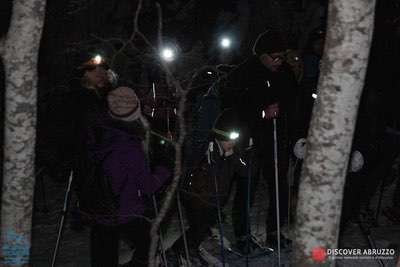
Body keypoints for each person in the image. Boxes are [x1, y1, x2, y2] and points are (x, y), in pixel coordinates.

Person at [219, 29, 299, 251]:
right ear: (261, 55)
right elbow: (235, 108)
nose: (279, 61)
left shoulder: (285, 73)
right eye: (275, 57)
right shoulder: (245, 73)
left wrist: (290, 127)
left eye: (282, 56)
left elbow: (293, 102)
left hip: (276, 138)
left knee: (278, 186)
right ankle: (243, 236)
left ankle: (275, 231)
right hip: (251, 140)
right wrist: (262, 112)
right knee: (247, 188)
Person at [77, 86, 171, 267]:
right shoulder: (129, 145)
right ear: (135, 111)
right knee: (150, 245)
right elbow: (148, 186)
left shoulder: (97, 131)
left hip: (99, 208)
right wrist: (164, 170)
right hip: (125, 210)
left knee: (103, 259)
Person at [169, 108, 247, 264]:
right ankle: (179, 251)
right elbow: (200, 170)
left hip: (215, 200)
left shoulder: (232, 152)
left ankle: (189, 248)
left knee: (202, 229)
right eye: (228, 139)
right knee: (198, 228)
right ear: (220, 136)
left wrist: (235, 157)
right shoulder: (207, 149)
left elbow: (244, 171)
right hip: (197, 198)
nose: (231, 143)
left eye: (234, 139)